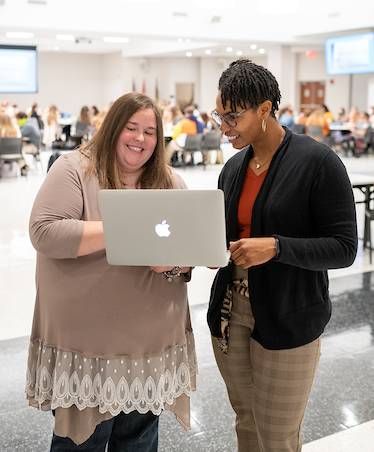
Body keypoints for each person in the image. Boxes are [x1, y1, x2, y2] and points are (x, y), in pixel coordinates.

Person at [26, 92, 197, 451]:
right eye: (131, 127)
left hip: (150, 346)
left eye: (150, 131)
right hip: (88, 346)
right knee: (82, 443)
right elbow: (45, 231)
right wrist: (127, 226)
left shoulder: (168, 181)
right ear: (112, 128)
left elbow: (186, 253)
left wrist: (177, 263)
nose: (140, 138)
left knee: (138, 441)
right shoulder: (75, 168)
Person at [207, 59, 357, 452]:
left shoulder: (318, 163)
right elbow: (226, 236)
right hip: (231, 312)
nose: (224, 127)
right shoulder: (233, 168)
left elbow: (344, 248)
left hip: (289, 314)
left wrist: (276, 246)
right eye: (219, 115)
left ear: (265, 108)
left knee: (277, 436)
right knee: (246, 423)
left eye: (232, 116)